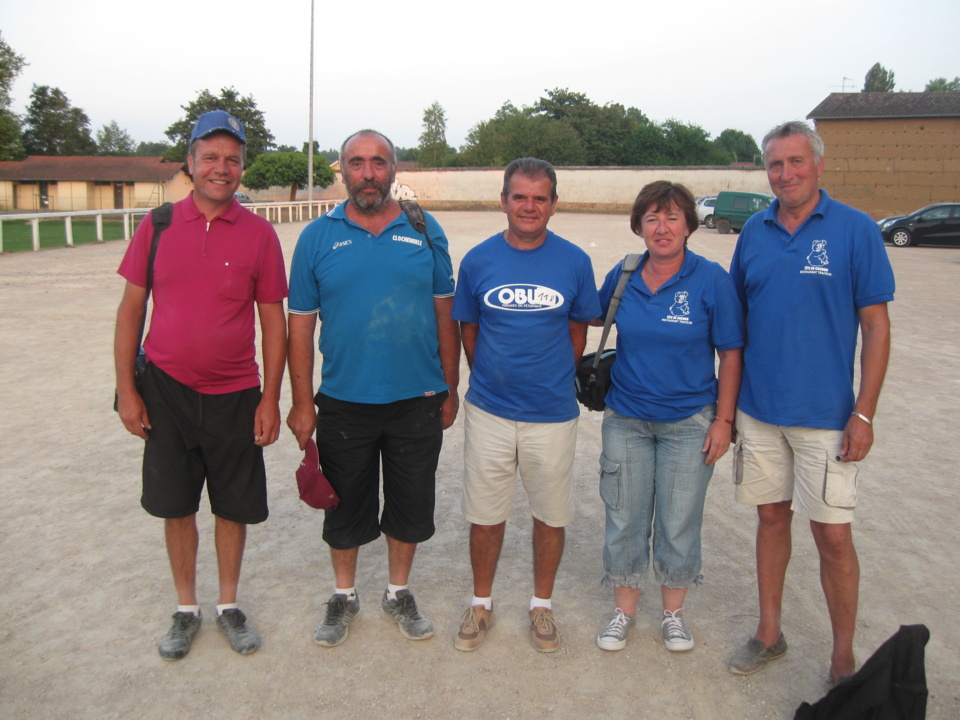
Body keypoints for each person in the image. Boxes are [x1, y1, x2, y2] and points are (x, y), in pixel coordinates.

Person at [114, 110, 288, 660]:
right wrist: (128, 390)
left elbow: (274, 322)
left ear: (242, 168)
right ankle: (186, 608)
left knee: (233, 507)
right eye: (210, 157)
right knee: (176, 505)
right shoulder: (158, 225)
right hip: (165, 388)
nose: (221, 167)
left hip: (236, 393)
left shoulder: (260, 234)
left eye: (232, 159)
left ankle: (229, 605)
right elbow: (130, 312)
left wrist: (269, 398)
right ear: (190, 163)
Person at [727, 121, 894, 684]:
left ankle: (843, 658)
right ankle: (768, 633)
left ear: (819, 165)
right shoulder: (754, 230)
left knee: (833, 535)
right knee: (771, 519)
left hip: (827, 418)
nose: (786, 174)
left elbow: (876, 326)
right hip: (759, 411)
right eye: (775, 164)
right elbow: (736, 324)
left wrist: (864, 412)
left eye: (796, 162)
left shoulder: (855, 230)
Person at [286, 130, 460, 648]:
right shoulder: (317, 237)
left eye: (378, 163)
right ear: (342, 169)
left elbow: (445, 313)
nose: (368, 173)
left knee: (409, 503)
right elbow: (300, 324)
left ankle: (397, 591)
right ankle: (344, 595)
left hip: (417, 399)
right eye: (357, 163)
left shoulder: (425, 230)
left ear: (393, 170)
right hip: (344, 401)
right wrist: (300, 401)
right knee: (344, 505)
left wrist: (449, 388)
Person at [451, 158, 601, 653]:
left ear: (554, 204)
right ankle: (480, 602)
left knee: (550, 515)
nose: (529, 206)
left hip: (552, 414)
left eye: (540, 197)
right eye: (519, 196)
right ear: (503, 201)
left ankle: (541, 605)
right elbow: (468, 328)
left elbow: (577, 327)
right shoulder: (477, 260)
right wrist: (491, 371)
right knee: (485, 514)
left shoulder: (575, 261)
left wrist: (552, 372)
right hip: (490, 410)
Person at [593, 181, 744, 653]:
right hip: (627, 419)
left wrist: (724, 420)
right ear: (638, 226)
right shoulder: (624, 274)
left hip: (689, 422)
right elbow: (592, 316)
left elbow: (732, 352)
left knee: (679, 521)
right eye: (652, 218)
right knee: (624, 516)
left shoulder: (711, 279)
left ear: (688, 226)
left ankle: (674, 615)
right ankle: (624, 612)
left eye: (673, 217)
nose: (662, 227)